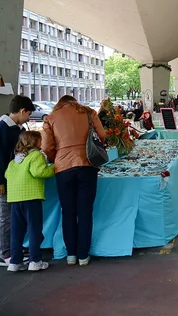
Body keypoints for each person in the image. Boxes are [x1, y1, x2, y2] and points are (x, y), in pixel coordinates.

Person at [42, 95, 106, 266]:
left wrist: (59, 157)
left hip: (63, 169)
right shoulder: (88, 112)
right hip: (87, 164)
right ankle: (83, 255)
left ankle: (71, 254)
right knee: (85, 212)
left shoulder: (51, 118)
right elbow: (102, 134)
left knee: (68, 212)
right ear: (74, 102)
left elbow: (46, 147)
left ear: (59, 104)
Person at [0, 95, 35, 267]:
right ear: (22, 111)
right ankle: (5, 253)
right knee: (5, 218)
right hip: (4, 181)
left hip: (14, 180)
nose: (29, 118)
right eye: (28, 114)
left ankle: (14, 247)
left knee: (15, 218)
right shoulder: (2, 129)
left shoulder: (16, 128)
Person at [5, 131, 55, 272]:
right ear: (35, 142)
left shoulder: (16, 159)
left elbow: (7, 174)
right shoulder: (36, 155)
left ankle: (15, 262)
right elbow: (38, 172)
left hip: (15, 199)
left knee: (17, 231)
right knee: (34, 230)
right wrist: (53, 168)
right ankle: (35, 260)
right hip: (31, 197)